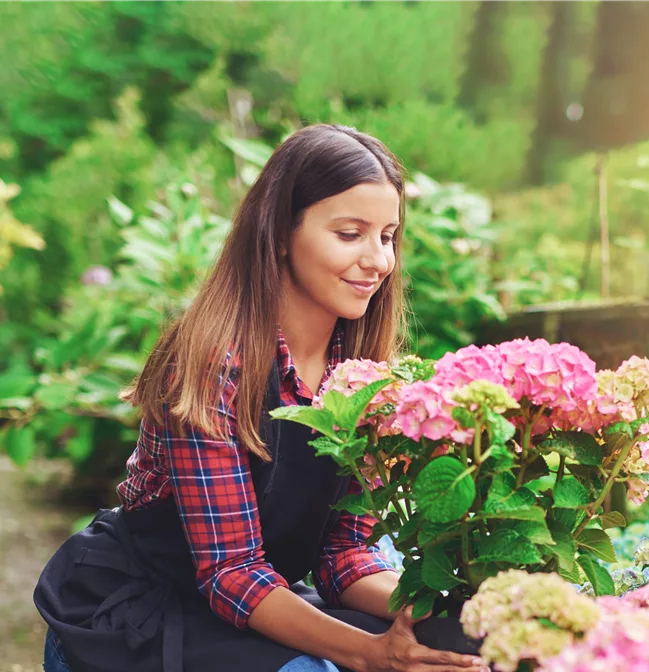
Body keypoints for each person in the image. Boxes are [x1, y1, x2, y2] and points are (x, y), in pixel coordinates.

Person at [34, 124, 486, 672]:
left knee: (457, 643)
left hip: (260, 598)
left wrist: (444, 615)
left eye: (388, 236)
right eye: (350, 234)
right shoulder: (210, 363)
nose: (379, 261)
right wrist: (370, 654)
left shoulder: (361, 372)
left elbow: (343, 555)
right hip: (140, 616)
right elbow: (231, 573)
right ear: (278, 234)